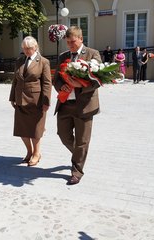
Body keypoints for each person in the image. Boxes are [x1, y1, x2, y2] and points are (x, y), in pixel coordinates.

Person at [53, 26, 102, 185]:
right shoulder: (63, 56)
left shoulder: (92, 54)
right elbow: (56, 79)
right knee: (63, 135)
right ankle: (80, 156)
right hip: (65, 103)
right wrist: (62, 87)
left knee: (82, 141)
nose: (70, 45)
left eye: (72, 42)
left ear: (81, 39)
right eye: (67, 42)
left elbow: (98, 80)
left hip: (85, 105)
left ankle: (76, 171)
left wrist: (80, 85)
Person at [9, 36, 52, 167]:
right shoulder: (20, 60)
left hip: (36, 101)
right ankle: (29, 152)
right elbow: (15, 80)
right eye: (25, 48)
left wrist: (46, 102)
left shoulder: (43, 62)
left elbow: (47, 83)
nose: (27, 51)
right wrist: (12, 97)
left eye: (29, 48)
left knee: (35, 129)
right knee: (22, 129)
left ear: (36, 47)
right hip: (20, 100)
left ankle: (37, 153)